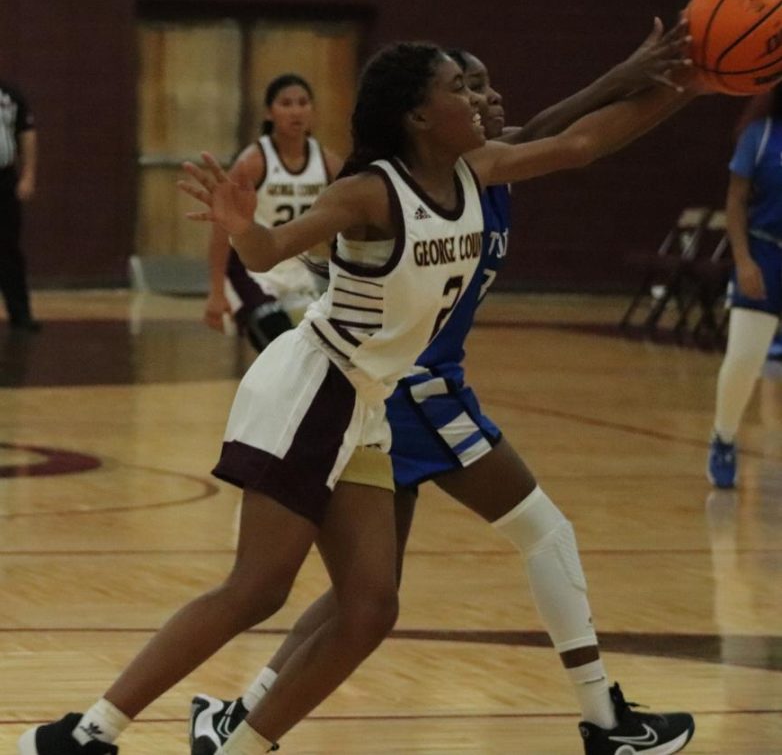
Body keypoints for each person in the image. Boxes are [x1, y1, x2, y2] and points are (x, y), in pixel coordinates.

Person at [19, 37, 699, 755]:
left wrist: (694, 82)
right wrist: (243, 225)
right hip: (315, 387)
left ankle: (238, 744)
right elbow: (271, 252)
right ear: (418, 117)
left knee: (370, 607)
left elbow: (583, 142)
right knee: (257, 590)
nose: (475, 99)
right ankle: (85, 735)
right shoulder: (369, 191)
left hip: (368, 404)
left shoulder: (479, 171)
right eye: (456, 90)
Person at [204, 73, 341, 350]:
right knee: (279, 345)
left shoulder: (328, 162)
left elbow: (347, 217)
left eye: (303, 103)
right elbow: (222, 226)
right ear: (269, 112)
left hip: (297, 268)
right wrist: (216, 292)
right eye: (286, 103)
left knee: (320, 348)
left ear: (312, 111)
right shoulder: (252, 162)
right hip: (250, 268)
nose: (295, 111)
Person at [707, 84, 782, 488]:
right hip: (765, 252)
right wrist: (743, 259)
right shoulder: (762, 133)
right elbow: (735, 201)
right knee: (744, 360)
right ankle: (724, 437)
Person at [0, 79, 40, 332]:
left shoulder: (10, 96)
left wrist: (28, 176)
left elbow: (27, 134)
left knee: (8, 248)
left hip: (3, 179)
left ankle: (20, 314)